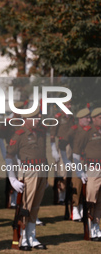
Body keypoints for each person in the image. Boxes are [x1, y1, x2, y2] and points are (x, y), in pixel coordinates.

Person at [7, 107, 47, 250]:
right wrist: (12, 179)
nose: (38, 119)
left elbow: (44, 155)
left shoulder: (41, 133)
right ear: (27, 119)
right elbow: (9, 158)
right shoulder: (19, 135)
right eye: (35, 117)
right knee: (26, 207)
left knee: (35, 207)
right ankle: (23, 238)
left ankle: (32, 237)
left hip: (41, 171)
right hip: (28, 172)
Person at [72, 107, 101, 240]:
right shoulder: (86, 132)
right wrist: (79, 170)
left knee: (100, 200)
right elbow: (76, 153)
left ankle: (96, 225)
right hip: (93, 169)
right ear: (94, 119)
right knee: (91, 199)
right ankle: (89, 226)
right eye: (100, 117)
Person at [60, 107, 90, 221]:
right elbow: (62, 144)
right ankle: (75, 209)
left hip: (90, 161)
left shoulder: (91, 129)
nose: (89, 119)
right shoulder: (74, 129)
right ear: (80, 119)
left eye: (89, 117)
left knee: (87, 187)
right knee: (76, 185)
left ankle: (83, 207)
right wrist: (66, 160)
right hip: (78, 160)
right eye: (86, 118)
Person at [0, 101, 25, 208]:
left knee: (21, 175)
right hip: (11, 152)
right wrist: (4, 153)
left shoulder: (24, 121)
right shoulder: (8, 122)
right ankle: (10, 199)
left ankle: (19, 197)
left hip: (22, 153)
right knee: (11, 176)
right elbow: (0, 138)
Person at [50, 100, 75, 204]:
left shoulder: (71, 117)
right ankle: (61, 196)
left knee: (70, 171)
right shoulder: (58, 117)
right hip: (62, 145)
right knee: (62, 171)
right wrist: (53, 149)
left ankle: (68, 194)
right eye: (67, 104)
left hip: (72, 146)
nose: (69, 106)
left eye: (70, 104)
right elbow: (52, 135)